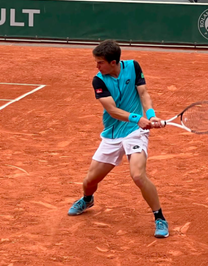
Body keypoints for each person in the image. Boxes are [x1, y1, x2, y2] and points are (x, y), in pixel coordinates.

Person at [67, 40, 169, 239]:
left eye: (100, 63)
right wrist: (138, 118)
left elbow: (143, 93)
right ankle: (87, 199)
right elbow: (112, 110)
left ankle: (159, 218)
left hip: (135, 133)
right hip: (113, 134)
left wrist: (151, 114)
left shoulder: (133, 66)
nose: (97, 67)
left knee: (138, 175)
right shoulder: (99, 80)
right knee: (90, 181)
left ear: (113, 62)